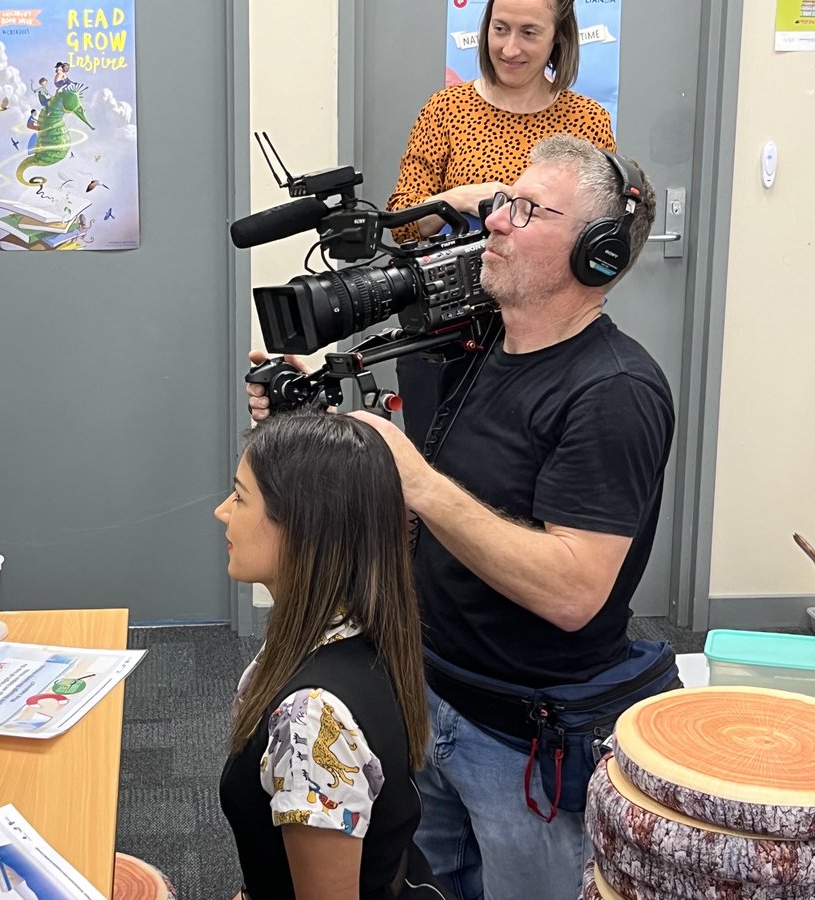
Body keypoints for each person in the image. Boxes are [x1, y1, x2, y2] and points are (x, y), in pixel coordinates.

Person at [246, 135, 676, 900]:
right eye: (502, 203)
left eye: (527, 210)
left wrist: (421, 485)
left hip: (524, 744)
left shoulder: (614, 392)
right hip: (428, 698)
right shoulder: (477, 349)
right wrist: (312, 385)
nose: (497, 223)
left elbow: (575, 591)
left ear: (597, 257)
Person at [216, 412, 452, 900]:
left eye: (240, 497)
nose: (222, 511)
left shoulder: (313, 719)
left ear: (302, 526)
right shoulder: (348, 628)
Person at [387, 0, 617, 442]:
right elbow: (401, 223)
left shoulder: (587, 121)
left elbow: (598, 234)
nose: (509, 48)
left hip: (546, 338)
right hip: (446, 337)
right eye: (500, 29)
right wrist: (456, 199)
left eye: (529, 32)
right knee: (433, 478)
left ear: (558, 38)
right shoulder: (446, 110)